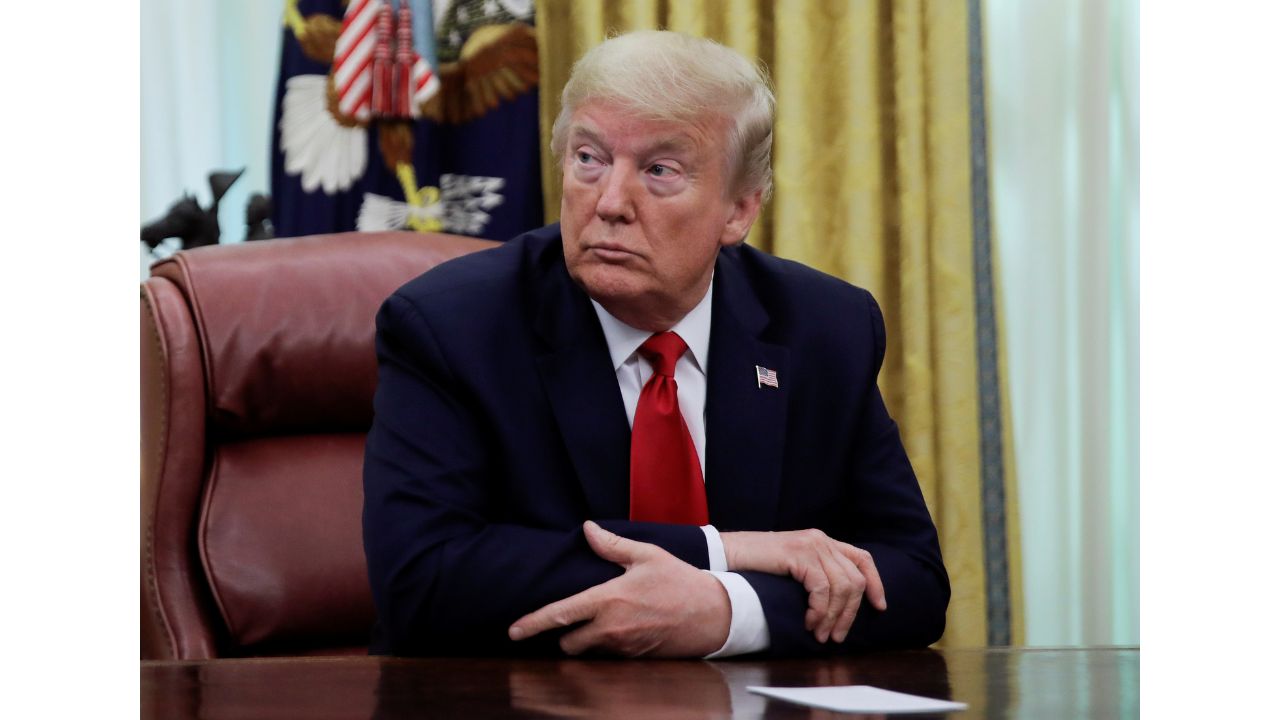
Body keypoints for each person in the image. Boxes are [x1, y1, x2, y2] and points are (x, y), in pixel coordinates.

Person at [362, 30, 949, 659]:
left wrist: (728, 611)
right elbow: (422, 578)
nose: (610, 203)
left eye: (659, 170)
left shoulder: (823, 329)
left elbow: (912, 581)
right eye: (588, 158)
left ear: (739, 210)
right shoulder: (451, 326)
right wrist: (723, 553)